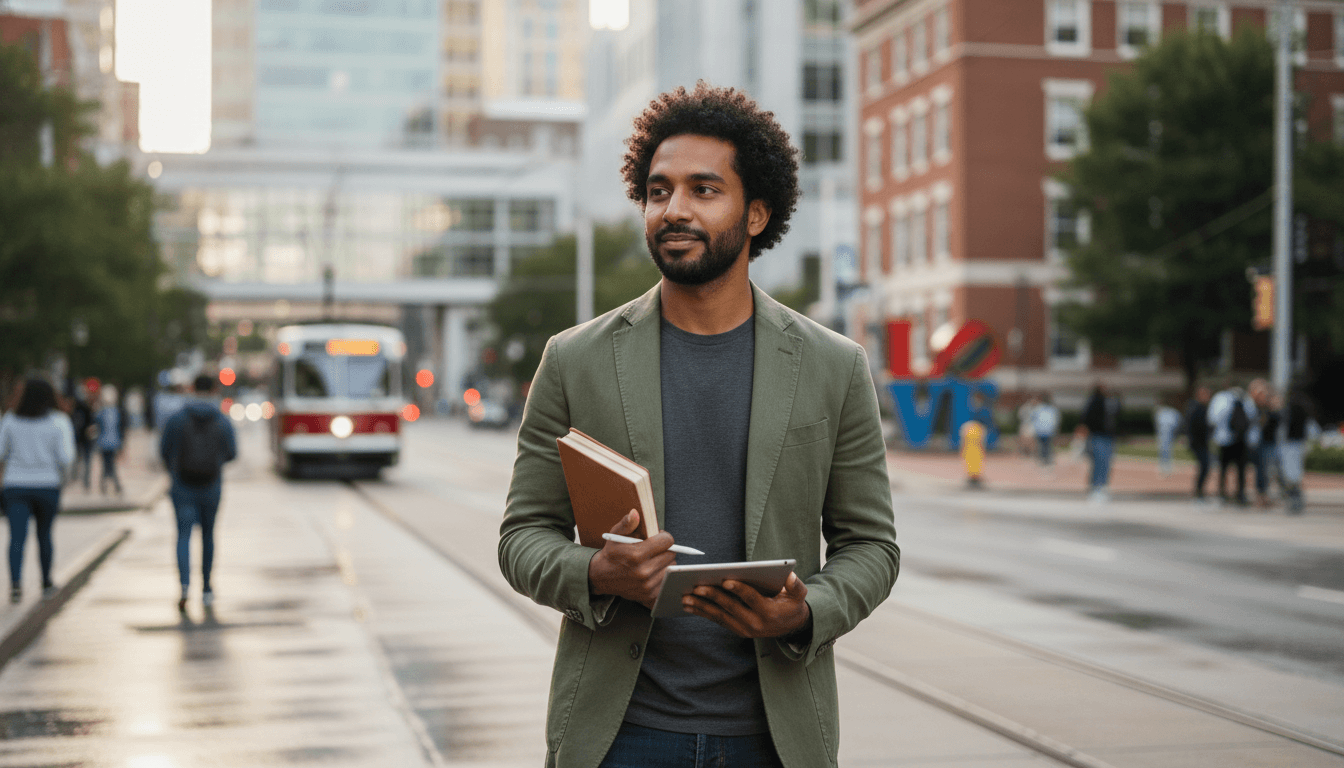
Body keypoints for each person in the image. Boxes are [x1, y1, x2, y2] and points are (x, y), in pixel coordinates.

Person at [498, 83, 900, 768]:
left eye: (703, 190)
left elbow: (872, 547)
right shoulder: (574, 360)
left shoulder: (834, 367)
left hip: (774, 739)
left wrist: (806, 612)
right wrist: (595, 571)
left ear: (756, 214)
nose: (673, 210)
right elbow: (521, 538)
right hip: (619, 734)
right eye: (658, 191)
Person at [159, 374, 237, 612]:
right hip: (211, 486)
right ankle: (206, 588)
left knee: (183, 535)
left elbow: (164, 451)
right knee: (208, 536)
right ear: (214, 389)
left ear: (192, 389)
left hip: (182, 485)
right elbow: (232, 453)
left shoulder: (176, 419)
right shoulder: (222, 420)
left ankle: (183, 586)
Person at [0, 378, 75, 603]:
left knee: (16, 537)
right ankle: (46, 582)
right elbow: (67, 457)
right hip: (47, 485)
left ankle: (15, 586)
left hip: (15, 485)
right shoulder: (59, 421)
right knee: (45, 535)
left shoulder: (10, 420)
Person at [1208, 384, 1256, 506]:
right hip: (1227, 440)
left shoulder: (1242, 400)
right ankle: (1225, 493)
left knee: (1238, 469)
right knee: (1227, 468)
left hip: (1238, 440)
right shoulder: (1227, 399)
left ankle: (1237, 494)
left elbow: (1213, 418)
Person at [1278, 386, 1320, 515]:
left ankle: (1293, 501)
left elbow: (1282, 429)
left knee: (1290, 474)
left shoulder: (1289, 409)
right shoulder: (1305, 409)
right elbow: (1312, 430)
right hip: (1300, 444)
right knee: (1295, 473)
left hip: (1290, 444)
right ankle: (1296, 501)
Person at [1080, 381, 1121, 503]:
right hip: (1097, 436)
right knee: (1099, 462)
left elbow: (1117, 417)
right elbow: (1086, 419)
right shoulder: (1094, 401)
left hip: (1108, 436)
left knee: (1106, 463)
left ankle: (1102, 486)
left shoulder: (1111, 402)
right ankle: (1096, 488)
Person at [1185, 386, 1213, 502]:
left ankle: (1199, 490)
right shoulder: (1195, 408)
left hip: (1203, 443)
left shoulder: (1204, 408)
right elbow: (1192, 427)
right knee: (1205, 465)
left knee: (1205, 466)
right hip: (1197, 443)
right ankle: (1198, 491)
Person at [95, 385, 124, 495]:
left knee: (106, 466)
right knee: (111, 466)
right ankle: (115, 486)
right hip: (112, 442)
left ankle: (106, 486)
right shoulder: (115, 412)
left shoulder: (101, 412)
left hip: (104, 442)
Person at [69, 389, 95, 490]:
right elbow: (92, 425)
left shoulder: (74, 411)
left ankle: (74, 478)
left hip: (78, 438)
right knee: (87, 461)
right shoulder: (89, 410)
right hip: (87, 439)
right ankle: (86, 481)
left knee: (76, 459)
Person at [1153, 397, 1182, 476]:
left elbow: (1177, 423)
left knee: (1167, 449)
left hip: (1169, 433)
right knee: (1162, 449)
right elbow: (1157, 424)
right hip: (1162, 433)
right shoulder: (1160, 412)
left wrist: (1176, 433)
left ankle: (1167, 466)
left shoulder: (1173, 412)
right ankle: (1162, 465)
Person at [1031, 393, 1060, 467]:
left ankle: (1046, 459)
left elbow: (1055, 420)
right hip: (1042, 430)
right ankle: (1044, 459)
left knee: (1046, 446)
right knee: (1043, 446)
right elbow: (1034, 419)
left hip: (1047, 430)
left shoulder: (1051, 409)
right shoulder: (1039, 409)